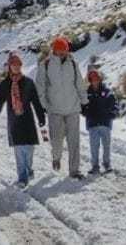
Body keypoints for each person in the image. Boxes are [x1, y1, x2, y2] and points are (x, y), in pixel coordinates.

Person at [0, 52, 47, 188]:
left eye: (18, 64)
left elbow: (36, 102)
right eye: (13, 64)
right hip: (14, 121)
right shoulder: (5, 84)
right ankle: (22, 177)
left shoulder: (28, 82)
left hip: (27, 120)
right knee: (19, 151)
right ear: (9, 66)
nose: (16, 67)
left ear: (21, 65)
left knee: (29, 149)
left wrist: (41, 117)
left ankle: (29, 168)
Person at [36, 35, 88, 179]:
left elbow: (79, 84)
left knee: (74, 141)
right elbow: (40, 88)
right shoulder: (45, 65)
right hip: (55, 110)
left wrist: (84, 102)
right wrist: (45, 106)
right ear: (55, 51)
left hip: (73, 108)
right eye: (61, 51)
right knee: (56, 140)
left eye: (65, 50)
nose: (64, 53)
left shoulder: (72, 63)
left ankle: (74, 170)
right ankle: (56, 157)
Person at [82, 67, 118, 174]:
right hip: (92, 123)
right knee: (94, 146)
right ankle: (95, 166)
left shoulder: (107, 91)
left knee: (106, 145)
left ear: (100, 79)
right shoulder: (86, 93)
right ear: (89, 80)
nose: (94, 80)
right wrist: (85, 112)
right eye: (92, 79)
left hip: (105, 123)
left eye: (96, 78)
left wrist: (113, 113)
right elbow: (82, 105)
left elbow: (114, 103)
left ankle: (107, 164)